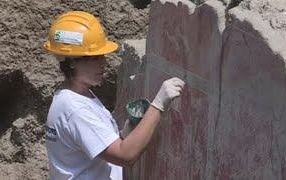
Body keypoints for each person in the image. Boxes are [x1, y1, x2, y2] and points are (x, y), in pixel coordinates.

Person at [44, 11, 185, 180]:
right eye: (95, 57)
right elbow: (125, 156)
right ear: (72, 61)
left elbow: (102, 147)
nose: (103, 63)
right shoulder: (76, 110)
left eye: (102, 56)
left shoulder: (74, 97)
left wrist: (126, 133)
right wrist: (158, 105)